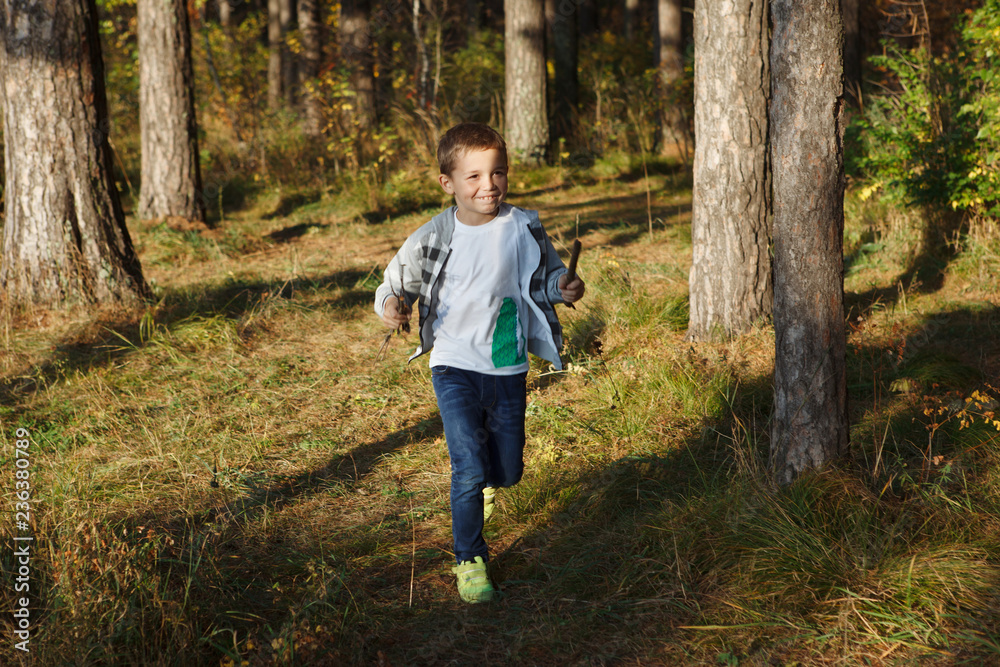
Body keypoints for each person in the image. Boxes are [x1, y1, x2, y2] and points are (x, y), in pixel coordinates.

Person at [374, 122, 585, 603]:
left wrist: (565, 289)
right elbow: (392, 285)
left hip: (507, 363)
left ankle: (491, 483)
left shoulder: (523, 227)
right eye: (473, 176)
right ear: (448, 183)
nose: (488, 185)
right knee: (466, 465)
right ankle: (469, 559)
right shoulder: (433, 235)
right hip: (452, 364)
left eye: (497, 173)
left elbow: (548, 280)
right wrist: (391, 307)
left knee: (508, 470)